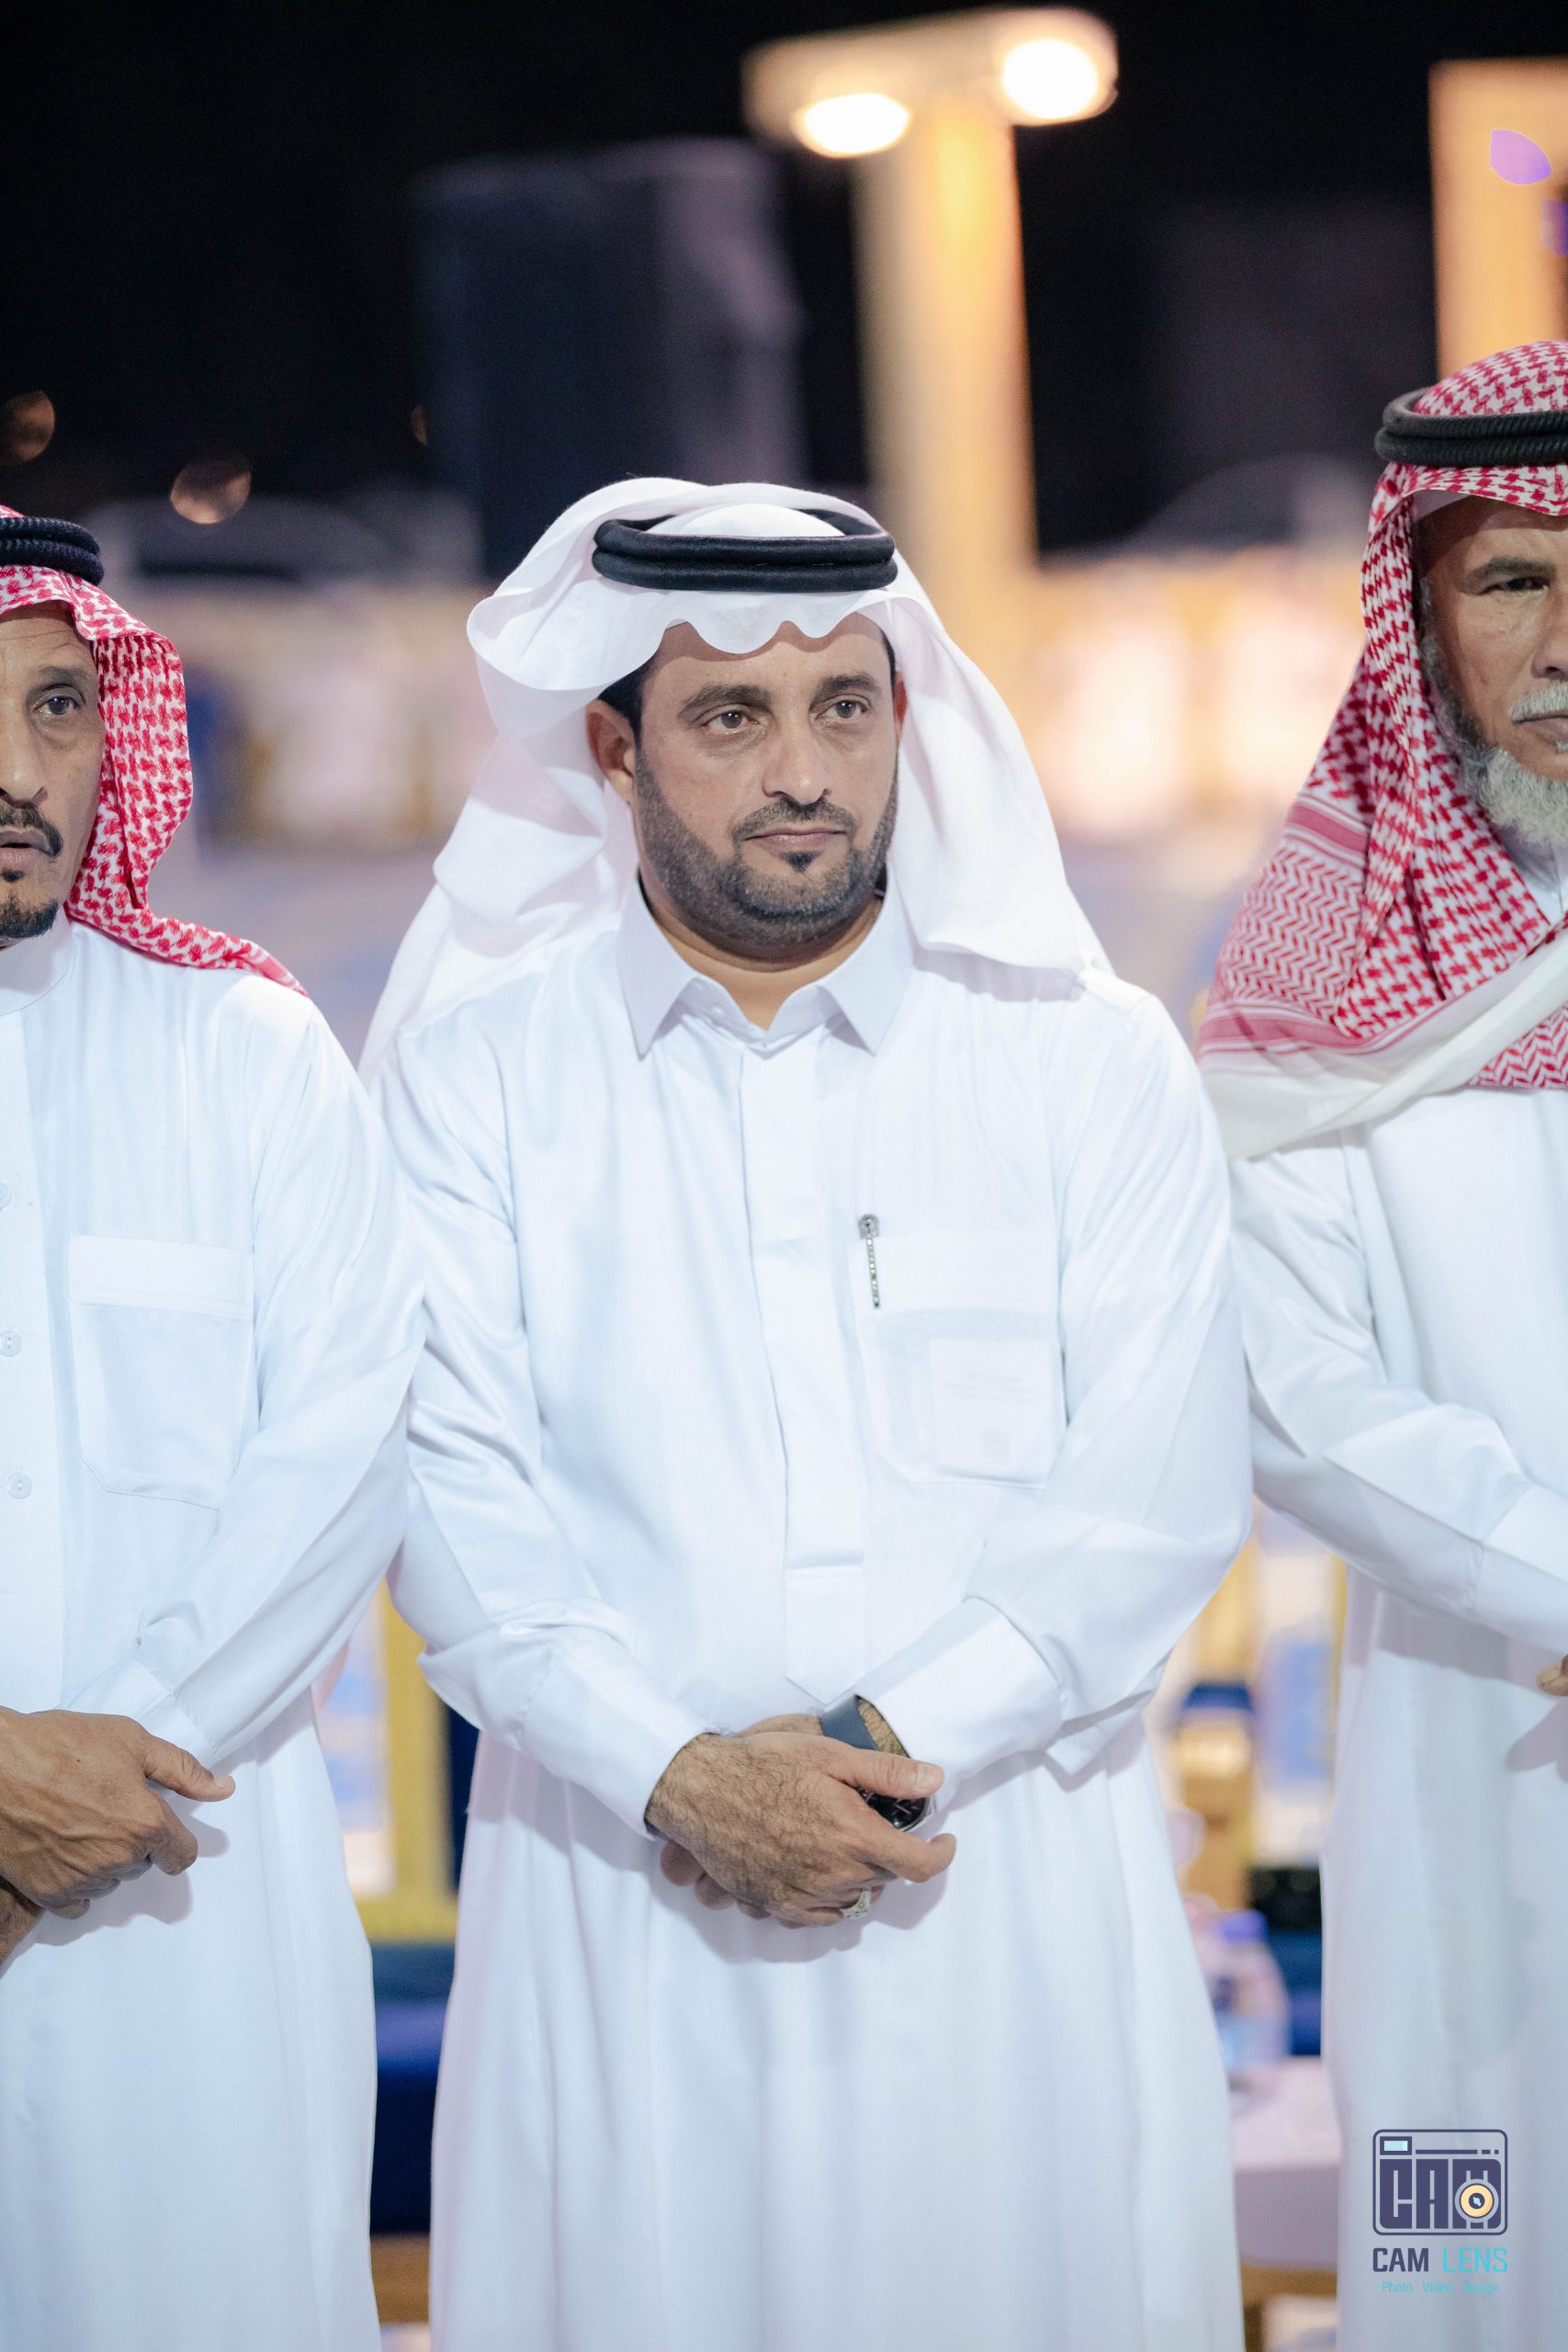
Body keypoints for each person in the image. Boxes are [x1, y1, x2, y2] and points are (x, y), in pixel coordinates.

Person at [368, 481, 1253, 2352]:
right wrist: (682, 1774)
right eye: (729, 715)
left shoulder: (1082, 1063)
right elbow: (445, 1496)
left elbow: (1152, 1497)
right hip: (630, 1896)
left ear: (902, 718)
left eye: (843, 706)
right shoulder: (471, 1083)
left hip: (997, 1911)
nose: (800, 770)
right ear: (613, 747)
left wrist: (876, 1747)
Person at [0, 510, 422, 2352]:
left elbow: (340, 1460)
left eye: (57, 706)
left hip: (179, 1909)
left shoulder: (247, 1055)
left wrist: (84, 1783)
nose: (21, 771)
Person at [1201, 340, 1568, 2350]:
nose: (1565, 636)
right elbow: (1288, 1386)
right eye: (1512, 579)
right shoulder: (1324, 988)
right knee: (1465, 2253)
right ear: (1420, 617)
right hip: (1475, 1758)